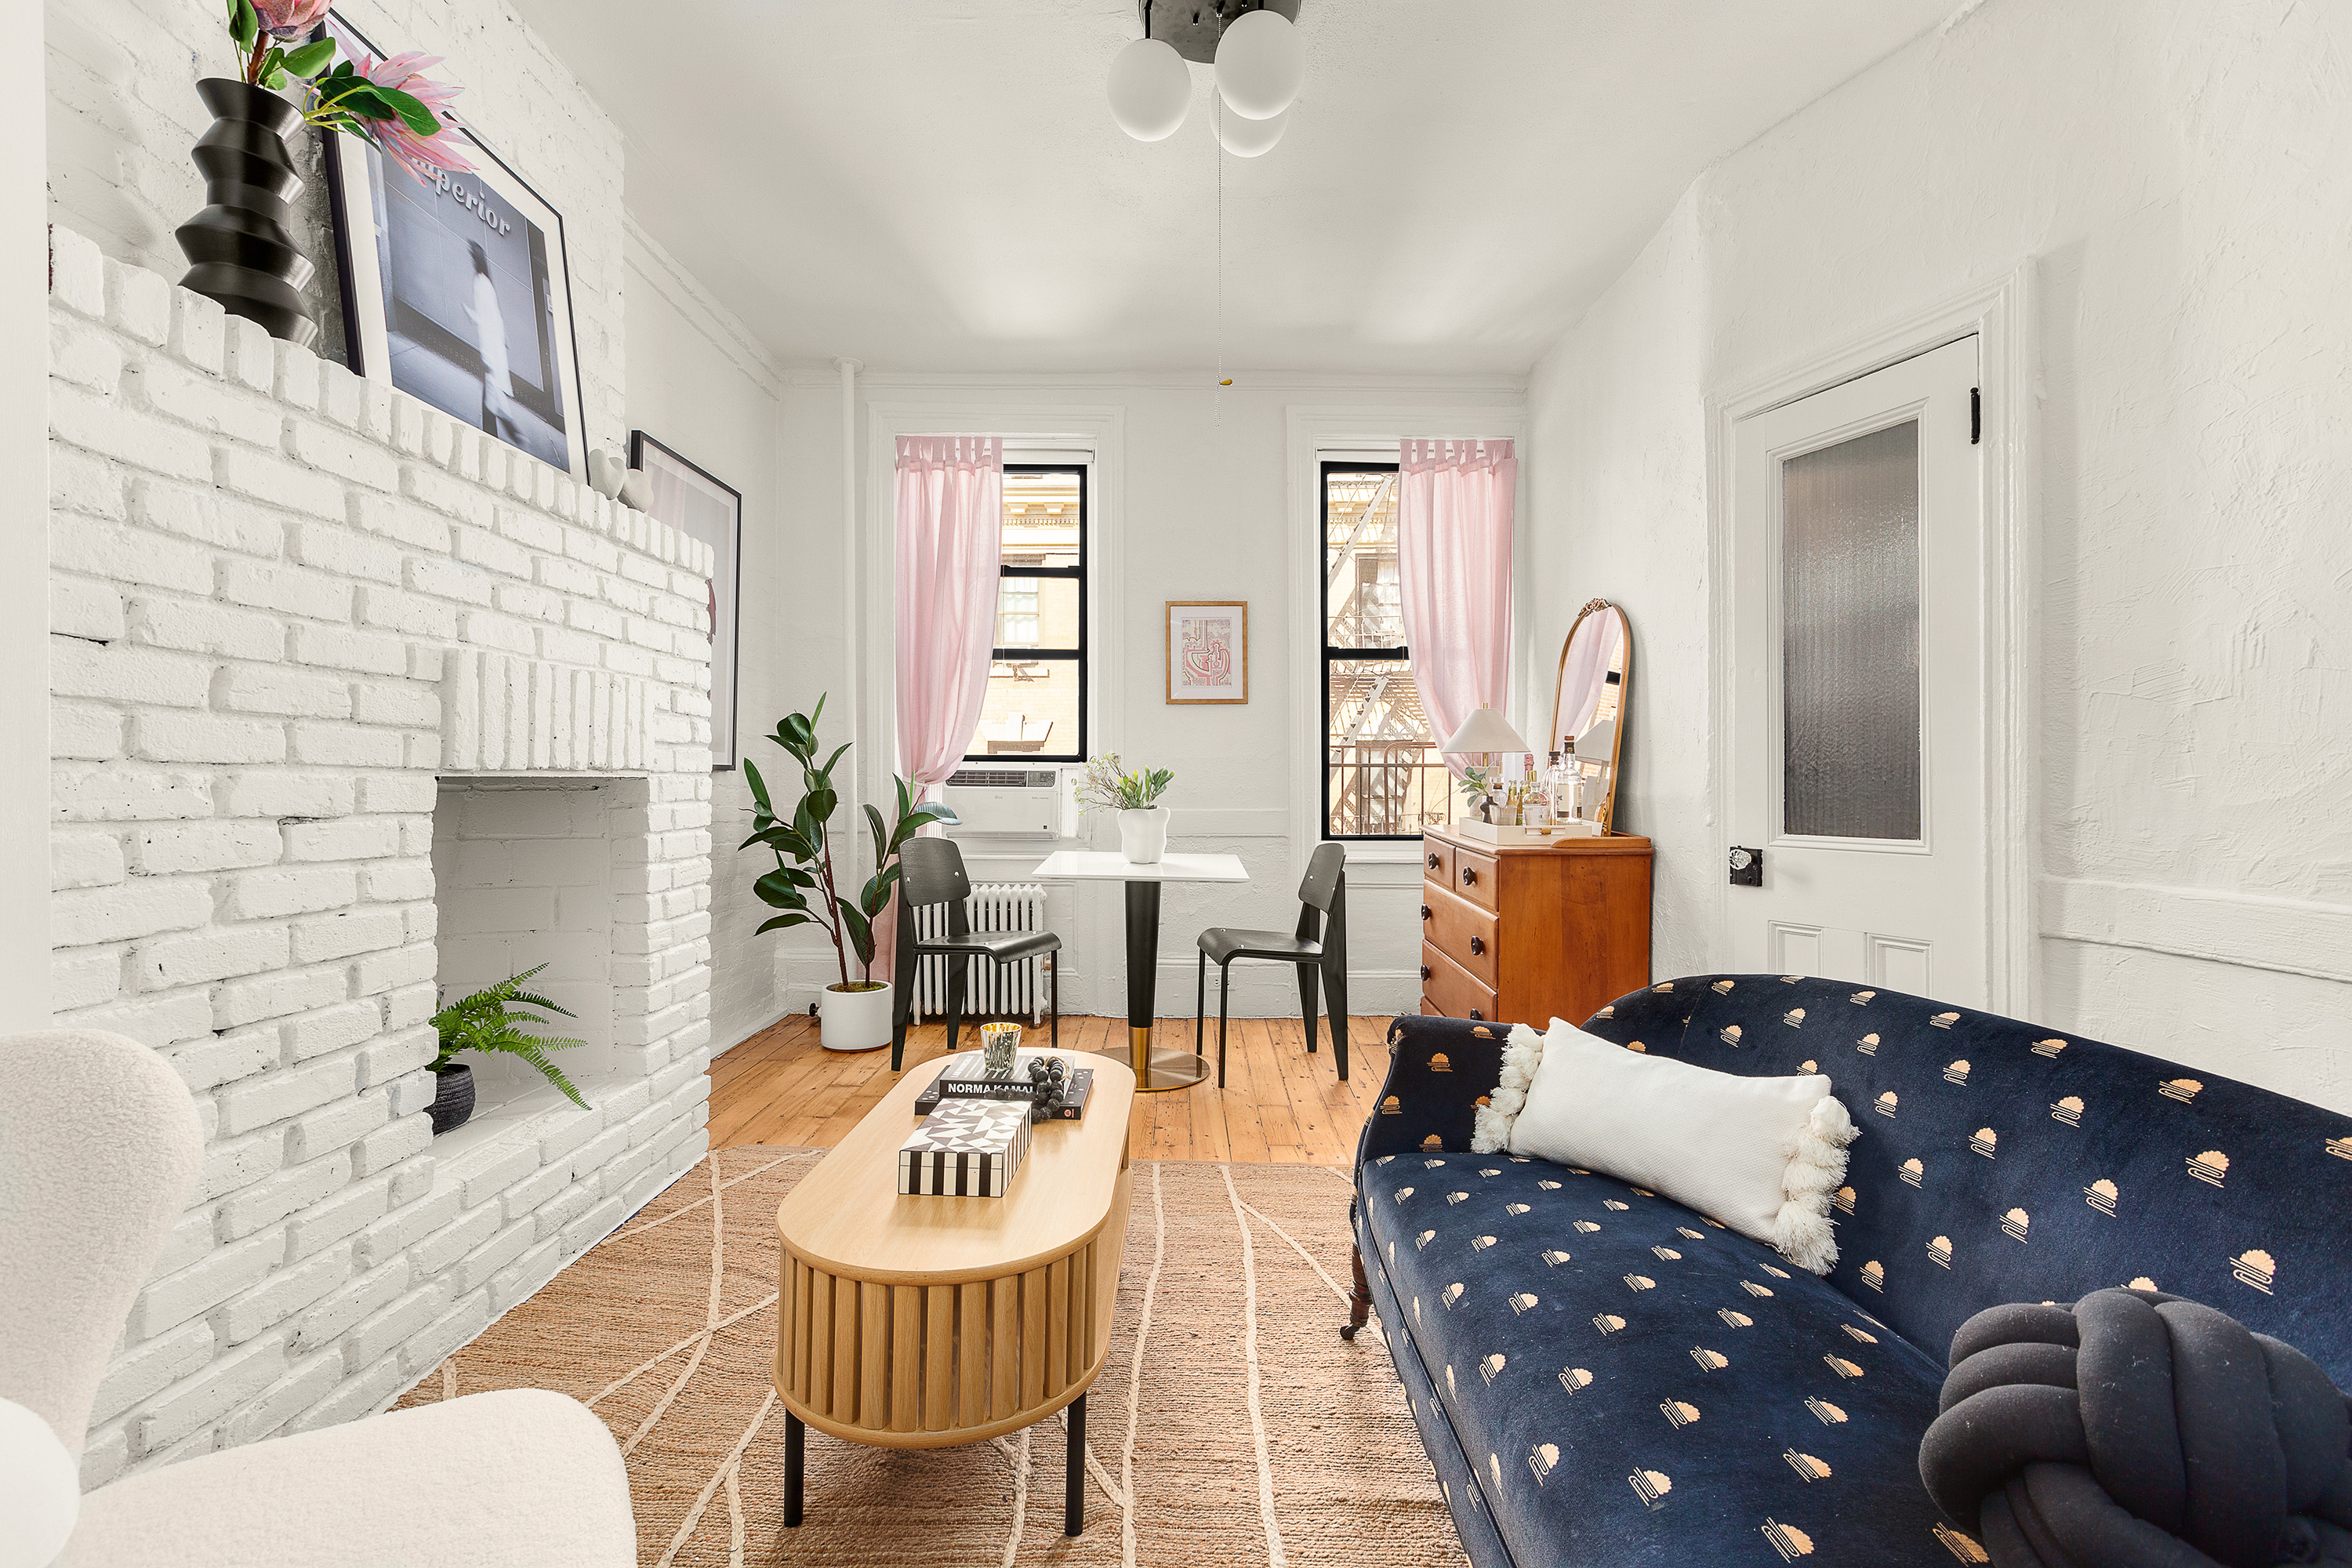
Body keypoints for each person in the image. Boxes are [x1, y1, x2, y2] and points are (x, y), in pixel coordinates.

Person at [466, 241, 518, 442]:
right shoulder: (487, 282)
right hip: (494, 347)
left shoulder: (480, 282)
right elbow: (494, 317)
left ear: (475, 259)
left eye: (471, 255)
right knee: (490, 393)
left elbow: (486, 319)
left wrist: (471, 315)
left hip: (490, 349)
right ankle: (499, 432)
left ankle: (507, 432)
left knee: (490, 394)